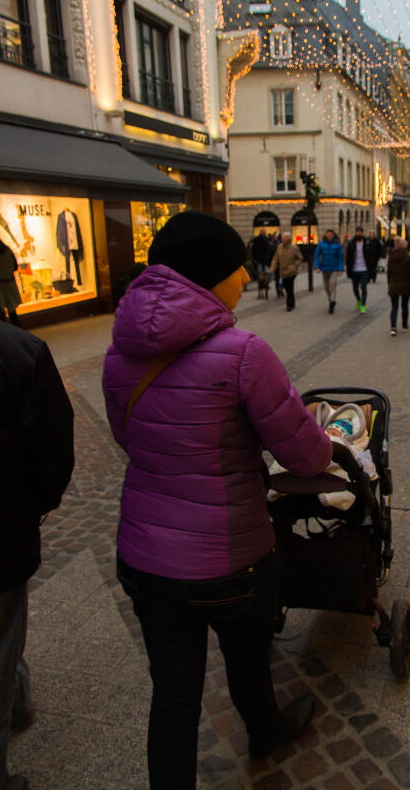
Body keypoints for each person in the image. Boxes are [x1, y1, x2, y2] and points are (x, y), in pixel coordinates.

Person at [103, 211, 332, 788]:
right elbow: (305, 458)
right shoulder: (243, 352)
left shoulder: (120, 349)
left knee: (174, 695)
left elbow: (130, 440)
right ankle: (265, 732)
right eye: (237, 266)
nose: (246, 274)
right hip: (230, 560)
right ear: (210, 277)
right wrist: (325, 445)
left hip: (144, 555)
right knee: (248, 661)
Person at [0, 322, 74, 790]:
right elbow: (53, 449)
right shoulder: (18, 351)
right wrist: (33, 506)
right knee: (3, 636)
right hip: (2, 534)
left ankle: (18, 693)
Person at [387, 237, 410, 336]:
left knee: (394, 307)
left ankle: (393, 327)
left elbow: (389, 272)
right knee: (404, 306)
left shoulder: (391, 256)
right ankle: (404, 325)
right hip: (405, 284)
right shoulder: (407, 256)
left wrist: (389, 284)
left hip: (394, 284)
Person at [269, 231, 304, 311]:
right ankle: (292, 302)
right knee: (288, 288)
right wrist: (272, 269)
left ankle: (289, 305)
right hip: (283, 271)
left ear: (289, 239)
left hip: (291, 272)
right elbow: (275, 259)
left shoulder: (294, 248)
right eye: (282, 238)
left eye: (284, 238)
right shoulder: (279, 247)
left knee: (289, 288)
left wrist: (294, 266)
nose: (283, 239)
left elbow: (300, 258)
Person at [314, 229, 344, 313]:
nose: (330, 236)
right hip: (324, 268)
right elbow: (316, 255)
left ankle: (332, 303)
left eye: (331, 234)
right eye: (328, 234)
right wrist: (317, 267)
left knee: (333, 284)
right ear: (326, 235)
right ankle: (330, 298)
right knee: (326, 287)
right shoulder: (321, 244)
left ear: (333, 235)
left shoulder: (337, 245)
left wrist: (341, 269)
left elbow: (340, 258)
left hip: (334, 268)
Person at [0, 231, 22, 326]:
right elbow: (15, 266)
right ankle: (18, 332)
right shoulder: (7, 249)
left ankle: (5, 335)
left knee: (0, 313)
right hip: (10, 283)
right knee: (12, 311)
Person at [345, 226, 373, 313]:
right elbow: (348, 256)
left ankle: (363, 305)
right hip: (354, 269)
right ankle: (358, 299)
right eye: (357, 232)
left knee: (364, 287)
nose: (359, 234)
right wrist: (347, 267)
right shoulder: (351, 243)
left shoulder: (367, 243)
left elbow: (371, 256)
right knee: (355, 288)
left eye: (360, 232)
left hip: (364, 269)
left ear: (363, 233)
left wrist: (372, 268)